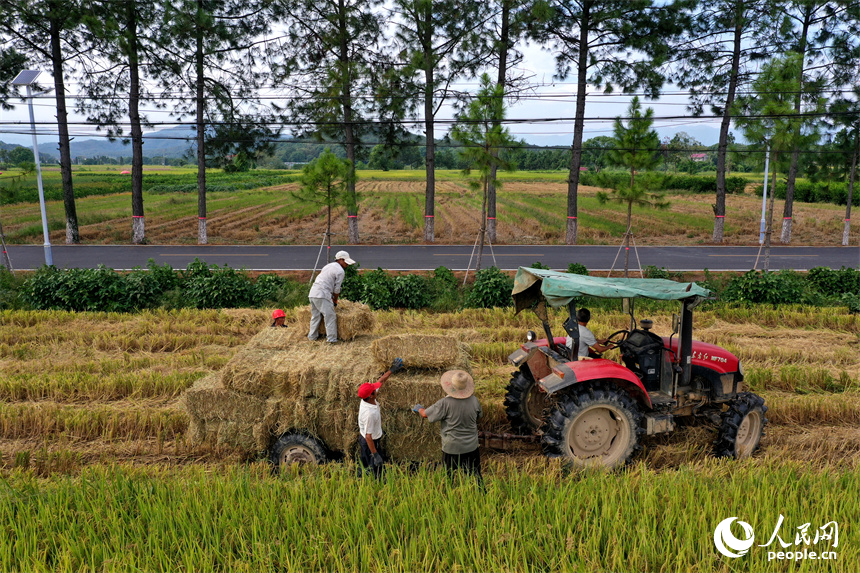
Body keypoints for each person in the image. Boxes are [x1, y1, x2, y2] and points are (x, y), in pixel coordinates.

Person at [413, 370, 483, 484]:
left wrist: (419, 409)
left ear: (451, 386)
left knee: (448, 476)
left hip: (452, 447)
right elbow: (479, 416)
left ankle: (449, 496)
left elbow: (425, 414)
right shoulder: (474, 401)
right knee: (476, 476)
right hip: (471, 446)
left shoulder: (445, 403)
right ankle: (481, 494)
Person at [357, 357, 404, 478]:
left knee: (365, 461)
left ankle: (363, 475)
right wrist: (375, 454)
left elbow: (381, 381)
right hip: (369, 442)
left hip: (368, 439)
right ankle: (375, 482)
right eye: (374, 390)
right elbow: (368, 437)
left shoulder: (368, 398)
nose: (376, 389)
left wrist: (392, 370)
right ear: (371, 396)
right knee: (375, 466)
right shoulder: (369, 414)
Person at [308, 250, 356, 343]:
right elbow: (337, 289)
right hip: (323, 294)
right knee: (330, 316)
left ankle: (312, 337)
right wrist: (335, 300)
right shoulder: (340, 271)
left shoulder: (328, 266)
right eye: (346, 261)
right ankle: (332, 339)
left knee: (316, 316)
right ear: (340, 260)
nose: (347, 264)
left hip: (313, 292)